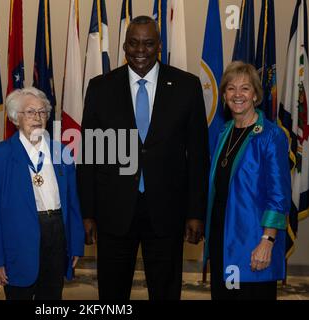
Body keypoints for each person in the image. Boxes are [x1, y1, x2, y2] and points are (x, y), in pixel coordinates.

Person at [77, 16, 210, 300]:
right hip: (114, 212)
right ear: (124, 45)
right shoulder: (101, 87)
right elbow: (89, 155)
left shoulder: (187, 86)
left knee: (165, 291)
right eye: (134, 43)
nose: (140, 50)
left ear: (159, 46)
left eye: (149, 44)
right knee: (112, 294)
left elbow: (198, 156)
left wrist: (196, 212)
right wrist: (87, 213)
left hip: (167, 212)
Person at [0, 87, 84, 300]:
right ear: (15, 118)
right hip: (17, 242)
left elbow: (73, 203)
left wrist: (75, 244)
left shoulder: (62, 152)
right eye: (30, 112)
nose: (37, 118)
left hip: (56, 237)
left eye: (42, 112)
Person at [203, 61, 291, 300]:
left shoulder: (271, 136)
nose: (238, 95)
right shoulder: (225, 132)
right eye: (231, 88)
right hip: (223, 239)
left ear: (255, 95)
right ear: (224, 95)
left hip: (253, 243)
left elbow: (279, 196)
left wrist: (267, 241)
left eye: (245, 88)